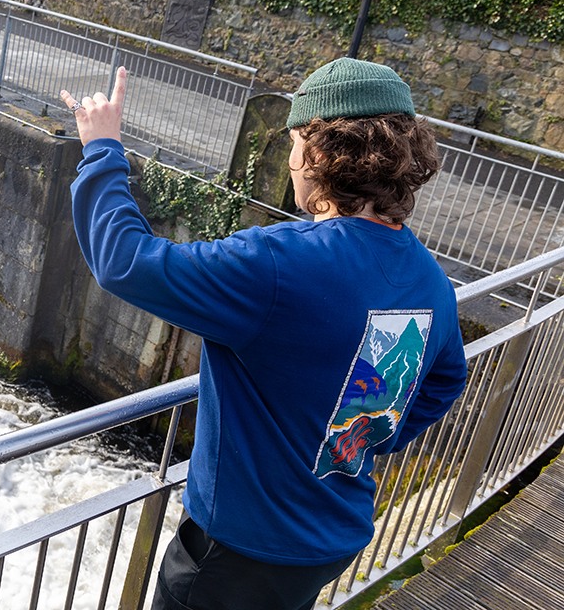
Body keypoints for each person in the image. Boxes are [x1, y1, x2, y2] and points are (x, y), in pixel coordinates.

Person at [61, 58, 468, 610]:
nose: (294, 162)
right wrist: (357, 437)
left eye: (296, 143)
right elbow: (445, 379)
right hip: (331, 533)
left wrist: (103, 148)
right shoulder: (430, 281)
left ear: (320, 154)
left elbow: (126, 262)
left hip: (240, 552)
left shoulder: (279, 265)